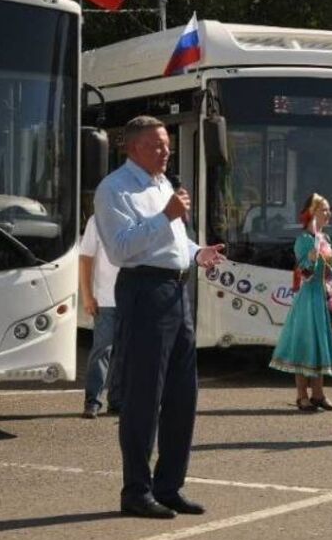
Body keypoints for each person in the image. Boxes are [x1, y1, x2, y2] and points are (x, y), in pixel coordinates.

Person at [94, 115, 226, 519]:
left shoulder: (163, 185)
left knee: (182, 395)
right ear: (132, 148)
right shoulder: (114, 189)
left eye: (167, 144)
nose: (166, 151)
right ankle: (135, 490)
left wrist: (197, 252)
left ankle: (169, 486)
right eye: (156, 145)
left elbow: (174, 242)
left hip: (176, 290)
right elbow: (120, 249)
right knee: (143, 396)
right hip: (143, 291)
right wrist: (165, 216)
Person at [270, 193, 332, 410]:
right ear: (312, 213)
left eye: (328, 210)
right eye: (324, 210)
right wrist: (310, 259)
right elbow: (304, 272)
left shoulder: (325, 239)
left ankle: (319, 394)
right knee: (307, 344)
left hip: (326, 296)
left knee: (323, 345)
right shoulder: (304, 240)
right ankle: (302, 395)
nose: (328, 213)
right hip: (310, 298)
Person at [79, 214, 122, 419]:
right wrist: (87, 295)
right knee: (102, 350)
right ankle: (92, 401)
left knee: (125, 353)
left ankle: (117, 401)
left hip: (133, 299)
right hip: (105, 299)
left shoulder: (139, 216)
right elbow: (86, 258)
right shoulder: (97, 220)